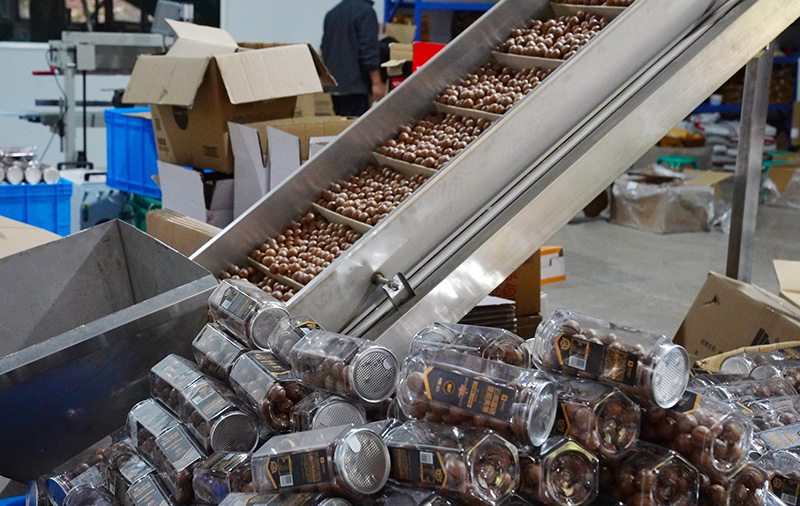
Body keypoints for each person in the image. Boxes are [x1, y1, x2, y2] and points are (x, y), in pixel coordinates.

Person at [321, 0, 386, 117]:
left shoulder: (331, 14)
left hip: (335, 86)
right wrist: (376, 82)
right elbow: (368, 49)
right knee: (357, 125)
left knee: (341, 125)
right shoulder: (366, 12)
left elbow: (324, 48)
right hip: (356, 86)